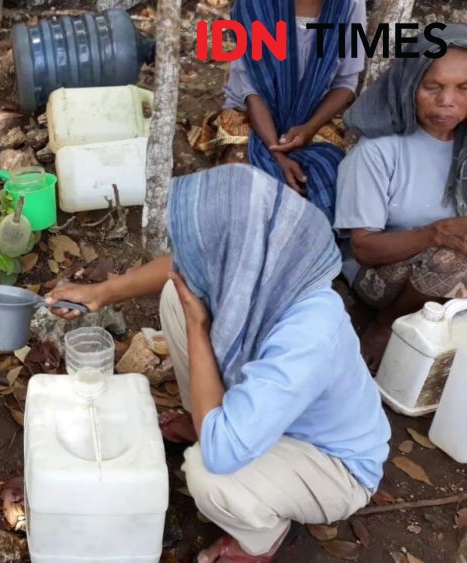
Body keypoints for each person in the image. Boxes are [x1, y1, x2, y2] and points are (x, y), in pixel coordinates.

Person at [46, 164, 389, 562]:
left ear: (242, 255)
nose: (195, 260)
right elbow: (182, 268)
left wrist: (198, 323)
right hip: (275, 413)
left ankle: (259, 539)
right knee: (179, 296)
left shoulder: (308, 338)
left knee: (209, 473)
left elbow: (221, 454)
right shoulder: (275, 268)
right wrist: (102, 293)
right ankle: (205, 420)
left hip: (329, 464)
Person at [334, 24, 467, 370]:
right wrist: (434, 234)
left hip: (449, 270)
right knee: (450, 259)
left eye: (463, 88)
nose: (447, 101)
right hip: (382, 276)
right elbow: (363, 248)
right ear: (410, 85)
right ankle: (386, 327)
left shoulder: (463, 147)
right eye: (432, 87)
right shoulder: (378, 151)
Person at [189, 0, 366, 221]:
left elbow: (346, 83)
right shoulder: (255, 5)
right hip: (252, 115)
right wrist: (277, 153)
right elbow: (252, 89)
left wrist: (309, 129)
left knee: (329, 176)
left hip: (313, 116)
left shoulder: (349, 5)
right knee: (251, 188)